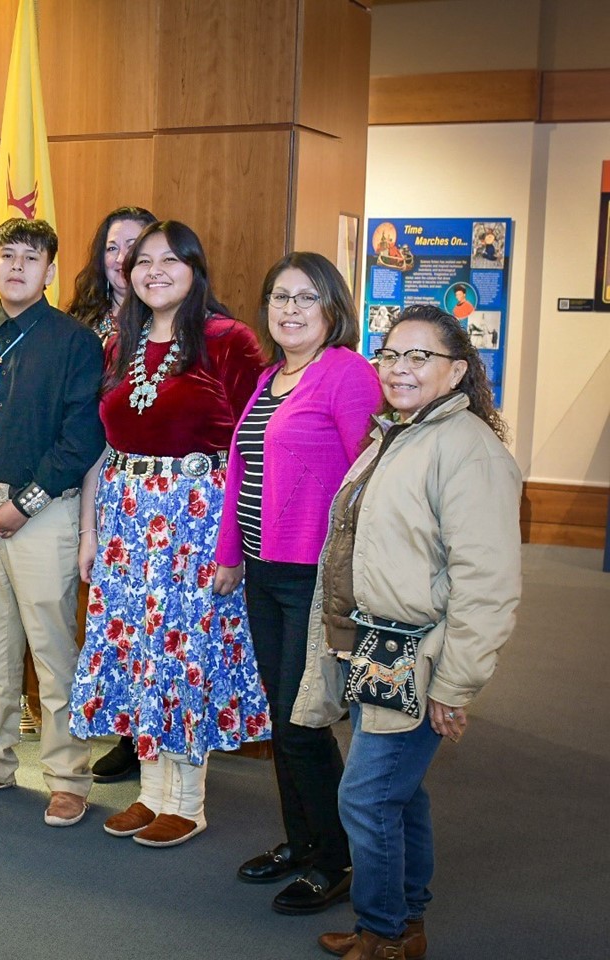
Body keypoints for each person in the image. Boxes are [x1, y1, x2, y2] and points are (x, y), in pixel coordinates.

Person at [304, 304, 521, 960]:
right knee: (397, 791)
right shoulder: (396, 434)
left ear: (456, 371)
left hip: (415, 653)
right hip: (378, 647)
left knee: (367, 796)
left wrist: (454, 684)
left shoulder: (467, 450)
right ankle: (406, 918)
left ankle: (385, 931)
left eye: (418, 357)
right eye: (391, 355)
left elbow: (488, 586)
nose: (400, 368)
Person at [70, 219, 270, 847]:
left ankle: (186, 800)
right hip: (127, 519)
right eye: (141, 260)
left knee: (186, 656)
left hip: (196, 519)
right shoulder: (118, 344)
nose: (153, 270)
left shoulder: (228, 339)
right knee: (139, 656)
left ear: (194, 268)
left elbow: (251, 445)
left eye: (168, 259)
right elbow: (102, 447)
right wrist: (89, 532)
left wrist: (235, 543)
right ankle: (151, 792)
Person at [212, 252, 382, 912]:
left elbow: (368, 484)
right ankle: (303, 841)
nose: (289, 308)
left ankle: (336, 858)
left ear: (332, 308)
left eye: (305, 298)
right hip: (263, 572)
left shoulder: (347, 375)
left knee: (303, 722)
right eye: (279, 296)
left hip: (314, 576)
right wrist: (231, 556)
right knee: (282, 719)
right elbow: (240, 473)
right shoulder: (270, 378)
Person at [0, 217, 105, 827]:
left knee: (54, 652)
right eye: (7, 255)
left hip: (42, 515)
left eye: (30, 258)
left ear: (50, 272)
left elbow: (82, 436)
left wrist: (22, 505)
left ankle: (67, 776)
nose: (16, 267)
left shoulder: (74, 342)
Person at [65, 204, 158, 784]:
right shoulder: (80, 327)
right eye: (112, 247)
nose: (122, 258)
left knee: (154, 616)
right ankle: (126, 727)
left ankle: (153, 732)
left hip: (150, 489)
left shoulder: (173, 324)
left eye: (136, 246)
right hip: (84, 478)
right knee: (114, 616)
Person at [65, 205, 158, 343]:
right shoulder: (79, 321)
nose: (121, 258)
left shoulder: (165, 320)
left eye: (132, 246)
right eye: (112, 248)